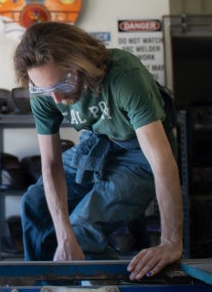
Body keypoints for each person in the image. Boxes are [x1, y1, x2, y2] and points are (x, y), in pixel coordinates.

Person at [13, 22, 183, 281]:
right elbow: (50, 164)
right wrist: (62, 235)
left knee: (82, 228)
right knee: (34, 203)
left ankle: (105, 287)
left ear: (80, 64)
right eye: (45, 89)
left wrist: (171, 241)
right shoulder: (46, 90)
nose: (56, 99)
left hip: (140, 149)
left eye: (62, 84)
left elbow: (162, 162)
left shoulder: (124, 74)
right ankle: (48, 286)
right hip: (100, 141)